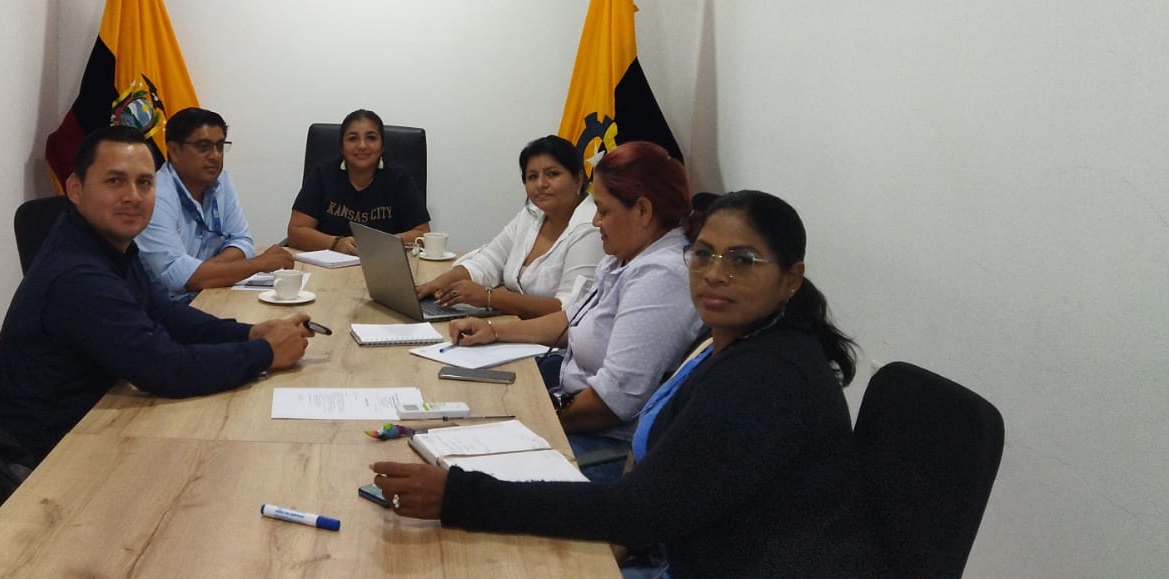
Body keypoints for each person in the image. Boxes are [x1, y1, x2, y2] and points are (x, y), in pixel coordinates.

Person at [371, 190, 887, 579]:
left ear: (791, 278)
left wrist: (459, 496)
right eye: (704, 254)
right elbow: (654, 498)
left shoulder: (767, 378)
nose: (714, 274)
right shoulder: (733, 341)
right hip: (685, 542)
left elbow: (636, 513)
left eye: (742, 260)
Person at [0, 125, 313, 461]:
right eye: (115, 181)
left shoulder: (105, 243)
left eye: (144, 183)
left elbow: (165, 313)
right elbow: (165, 369)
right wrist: (264, 353)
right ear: (76, 189)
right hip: (35, 462)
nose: (133, 197)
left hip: (92, 424)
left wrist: (250, 333)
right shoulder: (78, 275)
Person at [435, 141, 701, 480]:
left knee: (463, 469)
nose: (595, 220)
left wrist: (531, 421)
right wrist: (495, 330)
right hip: (571, 410)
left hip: (604, 445)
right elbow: (572, 318)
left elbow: (610, 403)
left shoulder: (661, 278)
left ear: (643, 211)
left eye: (603, 210)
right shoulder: (625, 256)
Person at [416, 135, 602, 319]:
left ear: (578, 179)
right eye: (532, 177)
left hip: (553, 336)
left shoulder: (591, 227)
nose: (541, 184)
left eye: (552, 174)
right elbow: (488, 261)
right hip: (513, 324)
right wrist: (437, 284)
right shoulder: (531, 215)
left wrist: (489, 297)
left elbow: (569, 310)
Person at [136, 108, 295, 303]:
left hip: (212, 291)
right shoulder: (155, 195)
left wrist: (204, 272)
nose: (215, 155)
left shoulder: (222, 182)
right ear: (174, 151)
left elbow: (242, 242)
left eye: (220, 146)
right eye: (204, 146)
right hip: (169, 307)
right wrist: (257, 264)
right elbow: (177, 276)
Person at [286, 109, 430, 255]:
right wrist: (336, 244)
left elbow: (422, 234)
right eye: (353, 138)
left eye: (371, 138)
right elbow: (296, 232)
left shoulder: (399, 178)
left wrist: (380, 243)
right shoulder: (322, 175)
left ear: (382, 147)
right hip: (328, 262)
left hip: (383, 262)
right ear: (341, 146)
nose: (362, 145)